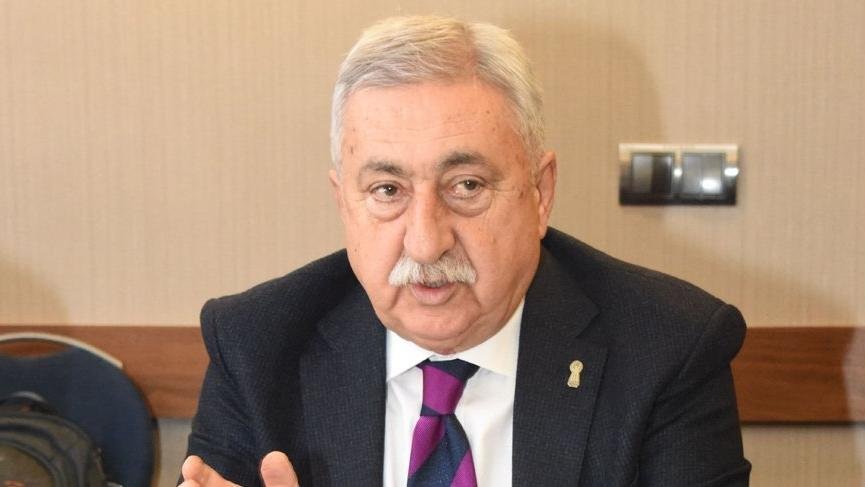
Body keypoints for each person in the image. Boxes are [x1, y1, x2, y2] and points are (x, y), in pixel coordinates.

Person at [180, 15, 750, 487]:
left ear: (540, 192)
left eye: (467, 186)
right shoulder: (257, 344)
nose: (426, 242)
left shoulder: (667, 349)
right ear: (343, 201)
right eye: (388, 191)